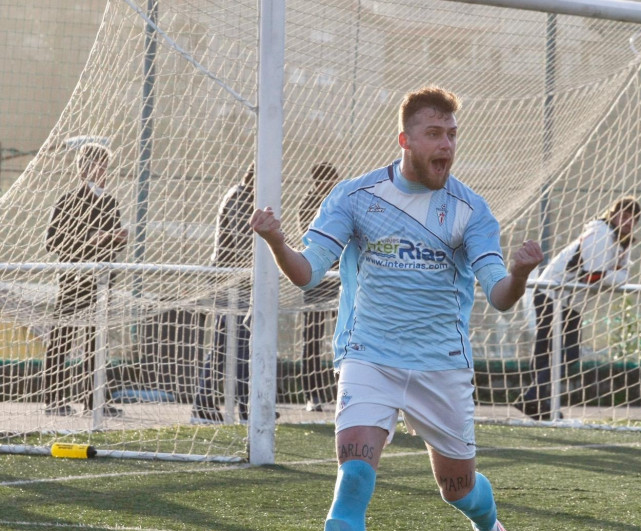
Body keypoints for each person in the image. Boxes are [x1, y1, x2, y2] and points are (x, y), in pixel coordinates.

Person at [251, 85, 542, 531]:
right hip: (370, 356)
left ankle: (490, 525)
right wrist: (276, 241)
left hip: (440, 364)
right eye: (434, 134)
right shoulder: (356, 197)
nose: (446, 145)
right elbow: (308, 273)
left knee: (458, 490)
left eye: (451, 134)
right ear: (405, 140)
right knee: (353, 481)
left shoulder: (471, 210)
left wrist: (520, 273)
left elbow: (500, 296)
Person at [516, 196, 641, 421]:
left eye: (633, 218)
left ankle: (537, 399)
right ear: (612, 214)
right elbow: (594, 275)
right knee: (563, 351)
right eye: (624, 214)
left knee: (558, 352)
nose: (628, 221)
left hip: (568, 300)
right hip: (553, 293)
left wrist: (615, 273)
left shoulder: (620, 241)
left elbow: (613, 274)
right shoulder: (601, 233)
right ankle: (535, 397)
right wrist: (616, 275)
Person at [44, 142, 128, 417]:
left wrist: (116, 240)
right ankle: (53, 400)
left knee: (97, 342)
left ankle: (94, 401)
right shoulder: (68, 200)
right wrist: (89, 241)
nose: (104, 171)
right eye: (98, 164)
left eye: (106, 165)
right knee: (62, 340)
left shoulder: (111, 201)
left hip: (100, 283)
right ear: (84, 168)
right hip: (72, 281)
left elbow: (112, 243)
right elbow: (52, 241)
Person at [190, 163, 255, 424]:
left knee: (227, 344)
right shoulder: (241, 197)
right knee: (237, 343)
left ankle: (207, 404)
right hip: (230, 282)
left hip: (234, 281)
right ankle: (243, 407)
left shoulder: (244, 195)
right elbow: (241, 245)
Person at [297, 162, 341, 413]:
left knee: (343, 334)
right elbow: (310, 239)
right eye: (329, 179)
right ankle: (312, 394)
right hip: (316, 279)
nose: (333, 183)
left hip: (339, 279)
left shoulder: (340, 200)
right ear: (318, 182)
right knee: (312, 337)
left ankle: (340, 389)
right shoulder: (309, 204)